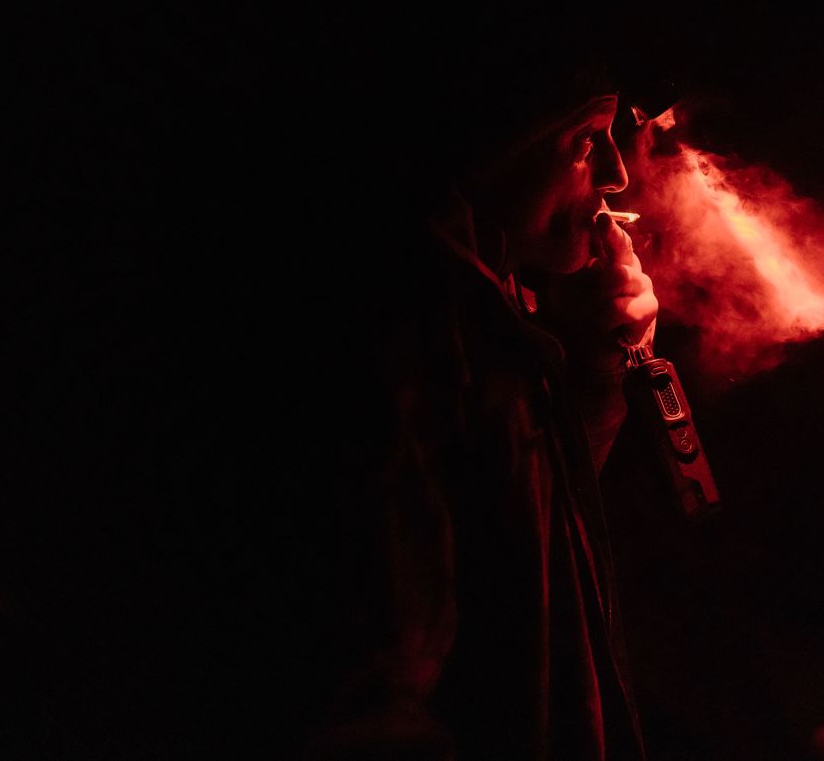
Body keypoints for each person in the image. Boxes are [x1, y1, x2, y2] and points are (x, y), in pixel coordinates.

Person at [280, 56, 664, 758]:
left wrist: (597, 374)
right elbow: (371, 693)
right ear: (499, 147)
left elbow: (518, 533)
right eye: (585, 140)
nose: (616, 175)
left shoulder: (495, 301)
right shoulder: (406, 329)